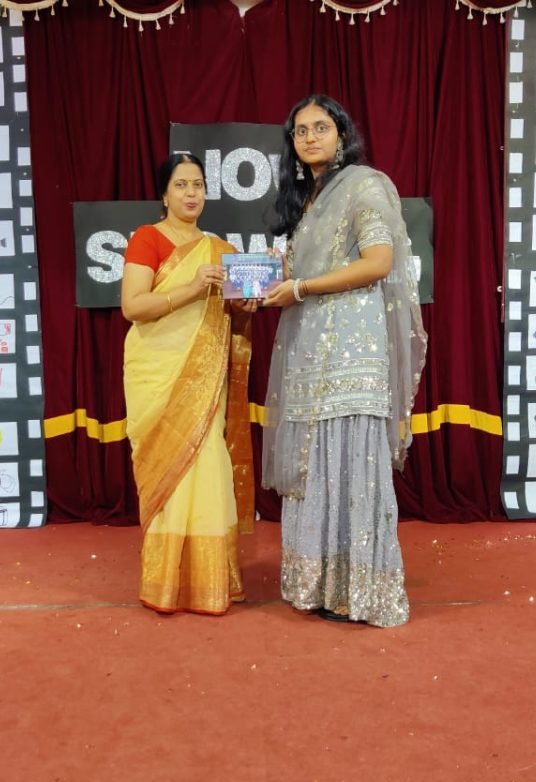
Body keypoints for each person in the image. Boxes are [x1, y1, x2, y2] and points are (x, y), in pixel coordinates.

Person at [261, 95, 428, 627]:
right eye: (300, 131)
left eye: (321, 127)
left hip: (353, 346)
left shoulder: (364, 185)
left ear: (341, 134)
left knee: (350, 460)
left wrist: (300, 287)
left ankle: (360, 591)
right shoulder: (307, 202)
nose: (310, 137)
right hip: (309, 344)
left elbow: (378, 262)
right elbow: (302, 276)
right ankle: (322, 588)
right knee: (313, 463)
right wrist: (270, 281)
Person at [121, 152, 255, 616]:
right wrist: (193, 288)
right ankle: (166, 583)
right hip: (156, 374)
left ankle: (209, 580)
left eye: (198, 184)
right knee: (169, 471)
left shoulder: (221, 250)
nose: (191, 193)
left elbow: (234, 313)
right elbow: (133, 306)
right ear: (164, 194)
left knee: (209, 462)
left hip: (204, 380)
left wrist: (245, 305)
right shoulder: (148, 238)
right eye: (181, 185)